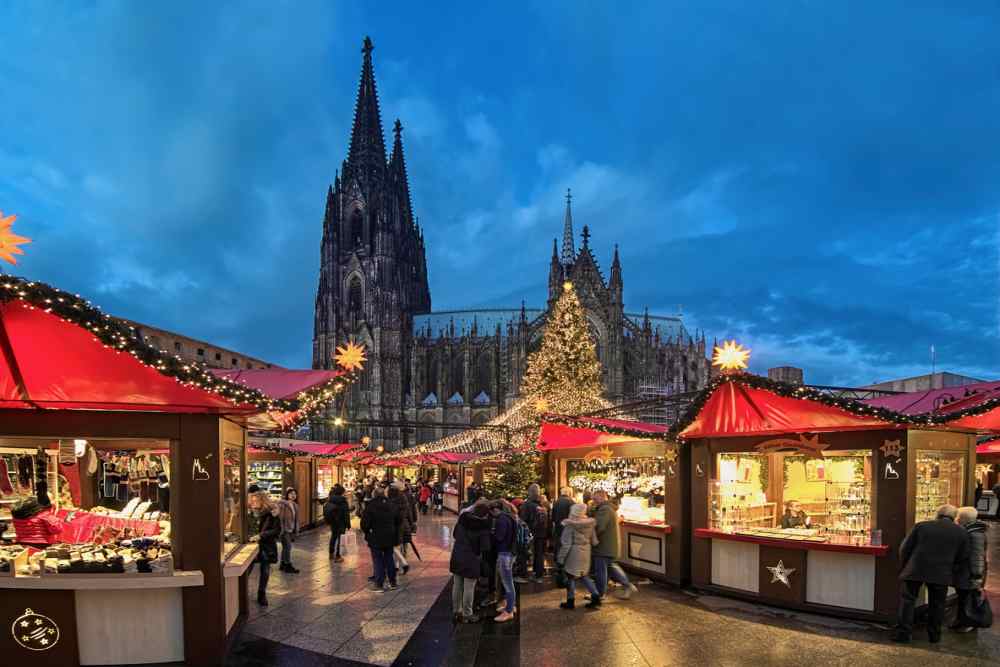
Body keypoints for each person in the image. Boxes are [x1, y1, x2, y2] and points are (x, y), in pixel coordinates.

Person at [895, 504, 971, 643]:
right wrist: (951, 568)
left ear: (938, 514)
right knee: (937, 604)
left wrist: (905, 566)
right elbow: (963, 556)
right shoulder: (961, 532)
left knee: (908, 601)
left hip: (916, 569)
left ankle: (903, 634)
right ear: (954, 518)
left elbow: (905, 548)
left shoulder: (922, 526)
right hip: (941, 573)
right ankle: (934, 636)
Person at [590, 490, 638, 600]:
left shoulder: (604, 509)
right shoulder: (609, 508)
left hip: (603, 545)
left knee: (601, 570)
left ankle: (600, 594)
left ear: (602, 498)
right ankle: (627, 586)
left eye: (595, 499)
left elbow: (600, 527)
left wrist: (590, 534)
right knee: (611, 566)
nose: (594, 501)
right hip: (609, 545)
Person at [450, 500, 491, 623]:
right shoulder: (483, 527)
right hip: (472, 558)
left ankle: (456, 611)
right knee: (469, 586)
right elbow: (485, 547)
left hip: (457, 555)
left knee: (457, 584)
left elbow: (455, 535)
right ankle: (467, 614)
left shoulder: (462, 520)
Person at [951, 506, 990, 632]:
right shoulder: (971, 531)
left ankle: (968, 622)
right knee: (963, 597)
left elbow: (977, 557)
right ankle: (961, 621)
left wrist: (976, 577)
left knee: (967, 598)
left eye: (957, 517)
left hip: (969, 574)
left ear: (963, 519)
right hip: (966, 572)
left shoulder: (974, 534)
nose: (956, 519)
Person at [557, 503, 602, 610]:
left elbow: (566, 544)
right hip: (586, 551)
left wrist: (560, 558)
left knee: (570, 577)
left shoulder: (570, 525)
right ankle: (596, 597)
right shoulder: (589, 523)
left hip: (574, 553)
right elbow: (594, 541)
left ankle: (570, 601)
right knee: (584, 575)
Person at [362, 485, 401, 591]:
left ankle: (379, 584)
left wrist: (367, 532)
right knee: (389, 558)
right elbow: (398, 520)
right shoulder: (391, 504)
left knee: (377, 559)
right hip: (390, 536)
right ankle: (393, 582)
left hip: (375, 537)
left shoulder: (370, 506)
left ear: (374, 495)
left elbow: (365, 524)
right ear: (384, 494)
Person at [248, 491, 281, 606]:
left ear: (262, 501)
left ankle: (261, 593)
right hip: (251, 546)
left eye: (256, 500)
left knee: (265, 570)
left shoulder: (271, 513)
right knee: (247, 568)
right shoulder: (248, 513)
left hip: (266, 545)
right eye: (252, 500)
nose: (253, 503)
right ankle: (241, 591)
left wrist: (261, 535)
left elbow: (277, 530)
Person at [490, 499, 517, 622]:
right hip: (511, 552)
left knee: (507, 583)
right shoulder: (511, 517)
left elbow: (499, 537)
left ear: (496, 509)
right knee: (509, 581)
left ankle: (509, 611)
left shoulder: (501, 519)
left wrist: (492, 534)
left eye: (492, 512)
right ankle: (511, 605)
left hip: (504, 553)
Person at [518, 483, 548, 582]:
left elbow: (523, 520)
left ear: (529, 492)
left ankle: (523, 575)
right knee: (539, 554)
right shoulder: (541, 504)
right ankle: (538, 575)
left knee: (524, 553)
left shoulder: (527, 505)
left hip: (530, 533)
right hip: (541, 533)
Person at [388, 483, 413, 574]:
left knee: (393, 546)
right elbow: (409, 512)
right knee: (397, 546)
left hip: (395, 526)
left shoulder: (391, 501)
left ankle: (404, 564)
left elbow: (393, 515)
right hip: (404, 525)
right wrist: (412, 523)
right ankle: (396, 566)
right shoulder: (403, 498)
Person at [275, 488, 300, 573]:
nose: (293, 495)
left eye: (294, 494)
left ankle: (283, 564)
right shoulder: (283, 505)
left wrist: (296, 530)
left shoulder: (295, 505)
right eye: (291, 494)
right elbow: (281, 518)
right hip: (284, 530)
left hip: (291, 529)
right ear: (287, 495)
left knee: (286, 547)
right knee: (288, 547)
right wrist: (281, 529)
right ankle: (287, 565)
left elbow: (296, 519)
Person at [324, 484, 350, 562]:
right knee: (341, 539)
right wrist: (348, 524)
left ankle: (331, 554)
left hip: (333, 522)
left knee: (333, 536)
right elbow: (346, 513)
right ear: (342, 492)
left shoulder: (330, 499)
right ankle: (338, 556)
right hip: (341, 522)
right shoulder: (343, 501)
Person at [551, 487, 574, 552]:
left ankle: (557, 558)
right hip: (568, 526)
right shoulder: (571, 502)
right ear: (569, 493)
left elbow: (553, 516)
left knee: (558, 543)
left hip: (558, 526)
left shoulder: (556, 502)